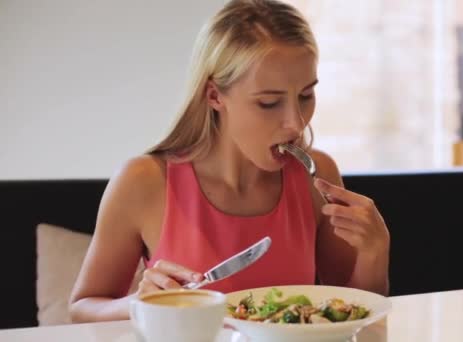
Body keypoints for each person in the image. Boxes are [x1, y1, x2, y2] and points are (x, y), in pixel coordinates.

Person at [69, 0, 390, 323]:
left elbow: (352, 313)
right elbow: (82, 308)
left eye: (305, 96)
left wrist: (374, 253)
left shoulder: (317, 176)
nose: (295, 122)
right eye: (269, 103)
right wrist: (141, 303)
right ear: (214, 95)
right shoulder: (143, 180)